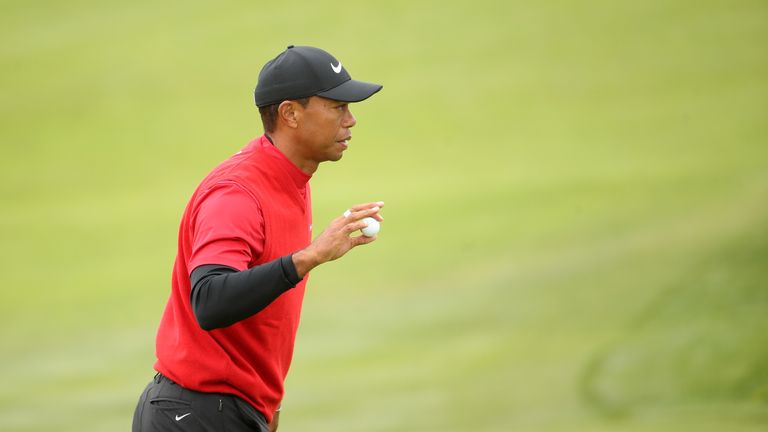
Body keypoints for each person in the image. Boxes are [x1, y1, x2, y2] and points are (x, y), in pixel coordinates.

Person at [132, 45, 383, 432]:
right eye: (336, 106)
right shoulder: (238, 193)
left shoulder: (292, 179)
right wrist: (310, 256)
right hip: (194, 415)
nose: (351, 120)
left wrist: (269, 410)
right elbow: (210, 300)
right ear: (290, 114)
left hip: (229, 413)